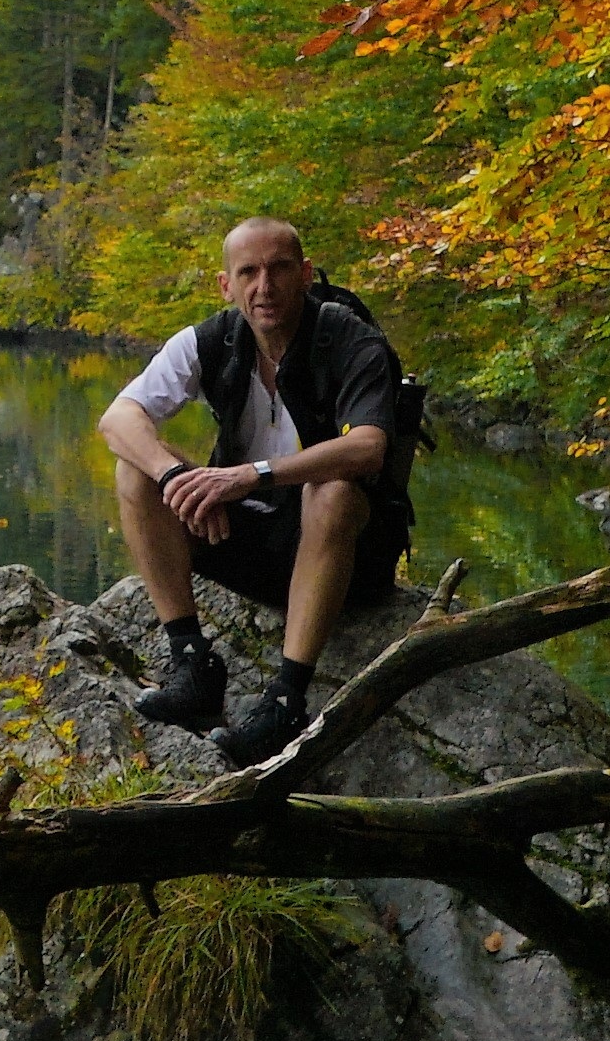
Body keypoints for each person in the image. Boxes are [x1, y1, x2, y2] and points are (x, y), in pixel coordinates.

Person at [99, 217, 420, 764]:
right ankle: (193, 664)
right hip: (245, 539)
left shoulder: (349, 339)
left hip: (346, 560)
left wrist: (253, 474)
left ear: (305, 275)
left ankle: (287, 699)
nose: (263, 287)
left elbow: (368, 447)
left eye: (279, 269)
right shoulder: (212, 339)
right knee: (136, 469)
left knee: (334, 490)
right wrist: (177, 478)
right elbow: (118, 418)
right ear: (226, 284)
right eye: (248, 272)